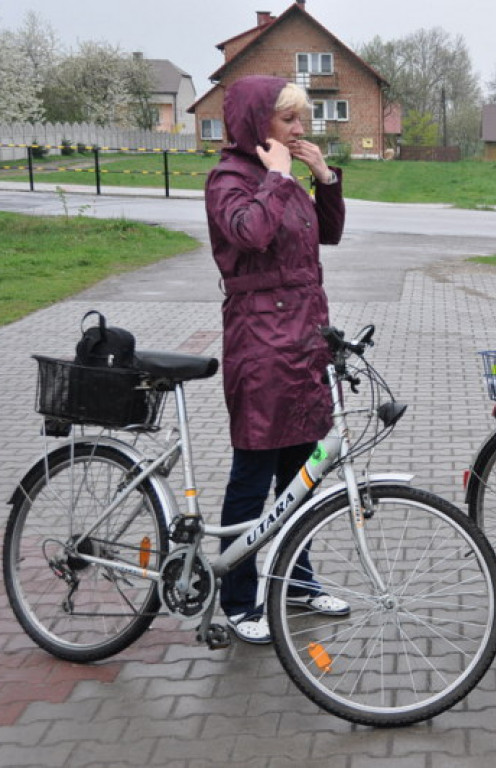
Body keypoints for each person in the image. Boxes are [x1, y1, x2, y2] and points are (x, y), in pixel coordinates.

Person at [205, 75, 350, 644]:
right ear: (255, 123)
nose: (300, 129)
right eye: (288, 120)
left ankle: (296, 580)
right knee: (253, 474)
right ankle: (238, 599)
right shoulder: (230, 179)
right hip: (259, 343)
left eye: (301, 120)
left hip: (304, 339)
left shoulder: (283, 176)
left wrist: (324, 180)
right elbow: (250, 232)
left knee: (299, 473)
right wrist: (277, 179)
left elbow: (327, 235)